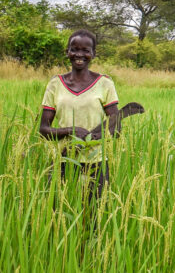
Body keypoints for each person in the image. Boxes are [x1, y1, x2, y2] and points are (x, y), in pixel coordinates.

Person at [39, 29, 120, 200]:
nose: (79, 54)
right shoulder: (56, 84)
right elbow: (43, 130)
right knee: (55, 211)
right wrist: (71, 131)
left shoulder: (105, 83)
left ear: (93, 54)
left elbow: (116, 126)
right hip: (63, 159)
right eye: (74, 49)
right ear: (67, 52)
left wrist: (93, 139)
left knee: (94, 216)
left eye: (85, 50)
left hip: (96, 162)